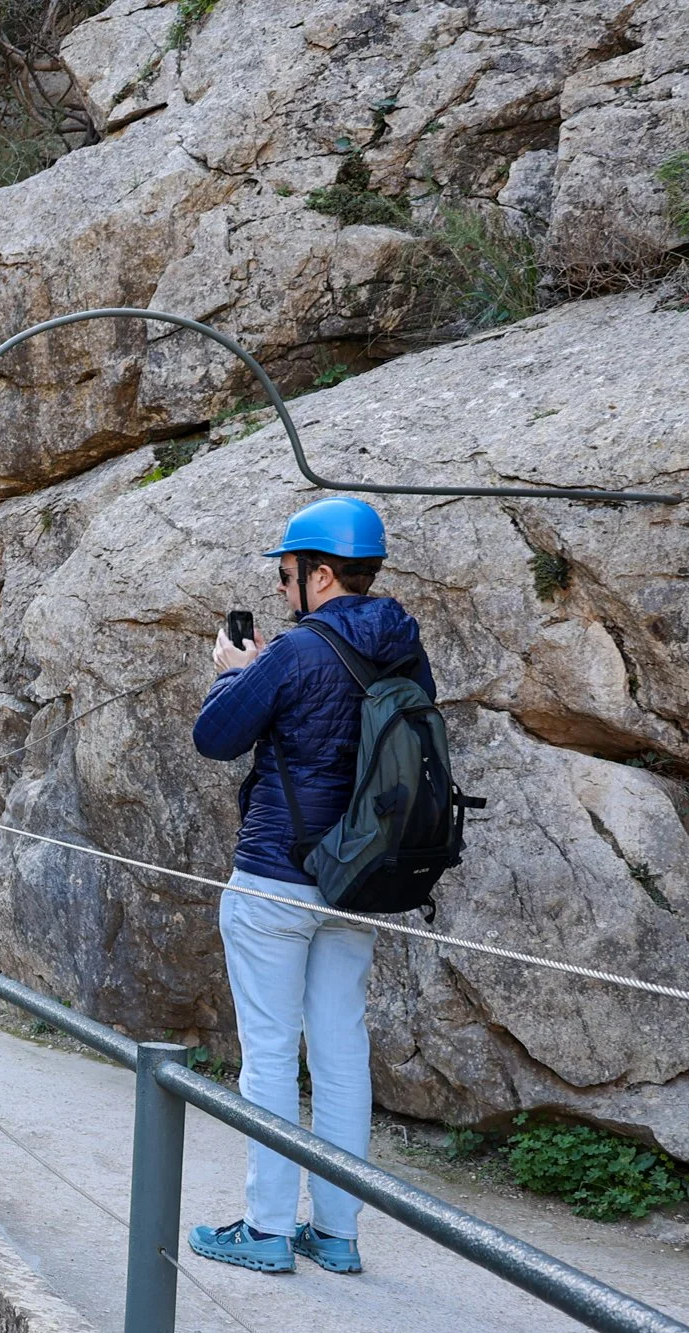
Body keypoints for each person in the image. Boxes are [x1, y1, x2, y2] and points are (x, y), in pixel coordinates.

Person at [188, 497, 435, 1277]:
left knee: (267, 1055)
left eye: (288, 571)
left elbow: (215, 738)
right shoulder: (405, 649)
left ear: (320, 574)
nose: (283, 583)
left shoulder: (294, 653)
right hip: (361, 878)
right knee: (340, 1052)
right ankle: (336, 1233)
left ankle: (265, 1231)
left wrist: (236, 673)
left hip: (276, 878)